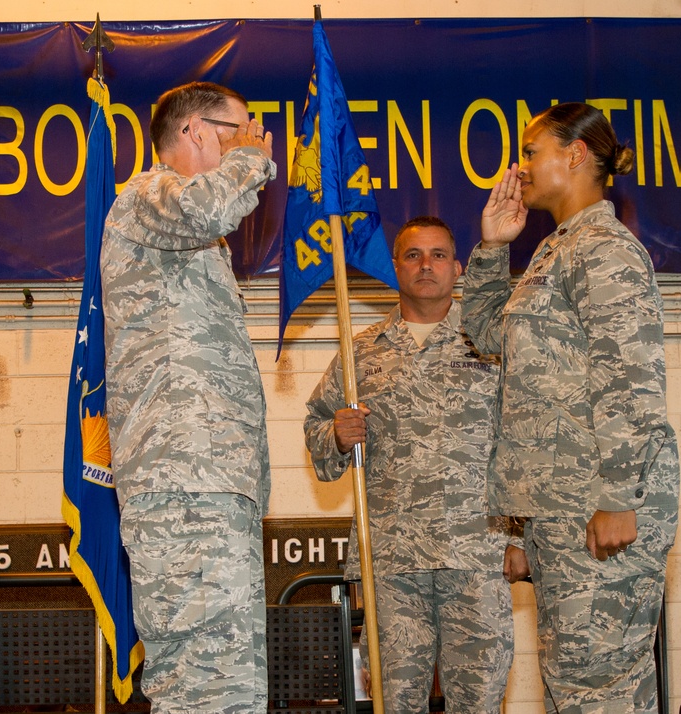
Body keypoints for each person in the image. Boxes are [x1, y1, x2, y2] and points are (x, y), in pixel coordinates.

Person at [460, 102, 680, 714]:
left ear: (576, 155)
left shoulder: (604, 250)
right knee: (573, 691)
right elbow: (486, 335)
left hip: (598, 509)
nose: (520, 168)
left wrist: (617, 498)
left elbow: (631, 379)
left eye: (531, 153)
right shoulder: (555, 252)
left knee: (599, 692)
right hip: (562, 514)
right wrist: (490, 248)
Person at [100, 81, 276, 714]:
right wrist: (250, 160)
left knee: (230, 686)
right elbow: (208, 208)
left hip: (210, 485)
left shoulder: (198, 244)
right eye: (240, 132)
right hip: (183, 484)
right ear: (195, 132)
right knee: (202, 686)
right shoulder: (144, 198)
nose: (258, 147)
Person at [305, 216, 527, 714]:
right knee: (392, 702)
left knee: (479, 703)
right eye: (412, 255)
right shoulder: (359, 352)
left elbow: (523, 439)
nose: (426, 265)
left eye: (439, 255)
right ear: (395, 267)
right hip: (391, 561)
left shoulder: (494, 344)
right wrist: (335, 437)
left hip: (477, 556)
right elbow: (317, 428)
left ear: (459, 267)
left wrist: (520, 536)